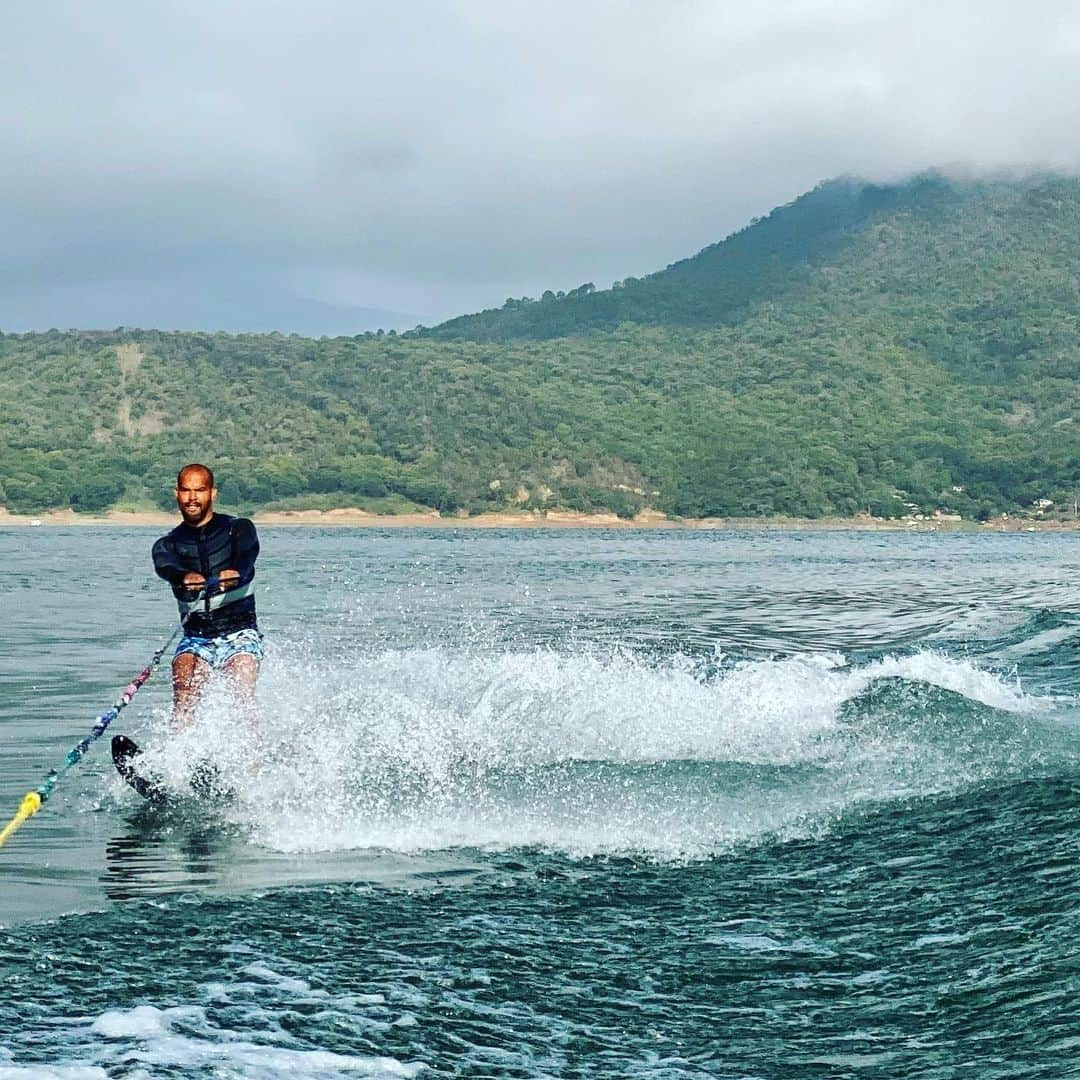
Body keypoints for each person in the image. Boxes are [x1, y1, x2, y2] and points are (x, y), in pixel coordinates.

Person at [151, 463, 262, 732]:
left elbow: (248, 555)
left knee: (241, 691)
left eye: (199, 490)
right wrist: (183, 577)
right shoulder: (167, 545)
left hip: (240, 633)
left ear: (212, 493)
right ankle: (177, 766)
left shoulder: (239, 529)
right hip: (195, 637)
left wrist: (236, 572)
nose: (192, 498)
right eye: (186, 491)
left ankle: (252, 766)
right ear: (176, 494)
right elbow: (166, 566)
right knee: (184, 690)